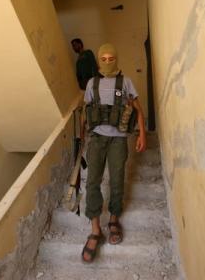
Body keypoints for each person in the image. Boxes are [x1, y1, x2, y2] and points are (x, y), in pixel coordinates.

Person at [80, 43, 147, 263]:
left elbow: (138, 110)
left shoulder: (125, 81)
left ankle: (114, 219)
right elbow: (86, 113)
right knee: (92, 182)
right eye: (104, 59)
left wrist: (142, 134)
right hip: (97, 139)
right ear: (99, 60)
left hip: (118, 139)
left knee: (117, 180)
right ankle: (95, 229)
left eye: (111, 58)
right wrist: (82, 140)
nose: (108, 62)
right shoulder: (92, 83)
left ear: (116, 59)